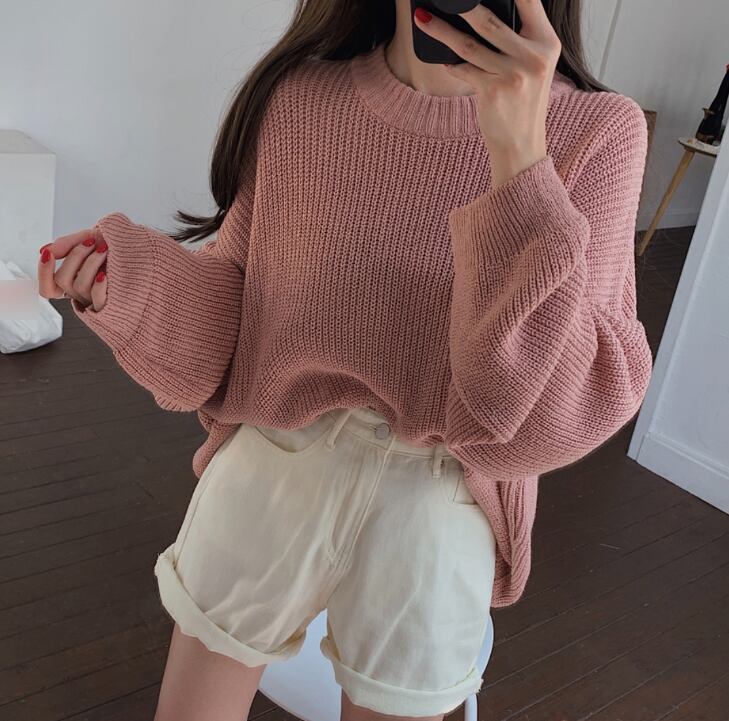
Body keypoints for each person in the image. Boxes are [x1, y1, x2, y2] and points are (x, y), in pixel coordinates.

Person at [37, 0, 653, 719]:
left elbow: (540, 425)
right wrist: (131, 283)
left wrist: (521, 160)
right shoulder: (300, 100)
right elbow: (239, 315)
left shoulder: (598, 133)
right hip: (272, 465)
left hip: (438, 495)